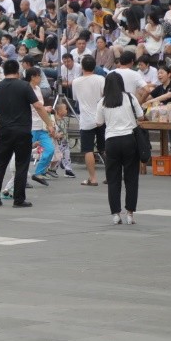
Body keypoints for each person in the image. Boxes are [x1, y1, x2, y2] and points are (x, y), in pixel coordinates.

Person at [0, 59, 37, 209]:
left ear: (3, 71)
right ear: (17, 71)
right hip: (22, 131)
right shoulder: (25, 86)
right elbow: (38, 106)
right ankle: (19, 199)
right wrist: (49, 124)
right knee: (21, 165)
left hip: (4, 130)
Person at [96, 72, 141, 225]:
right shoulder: (130, 97)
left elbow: (98, 122)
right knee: (131, 178)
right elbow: (140, 115)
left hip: (111, 141)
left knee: (113, 179)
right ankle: (130, 214)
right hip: (129, 139)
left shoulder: (103, 102)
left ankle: (116, 214)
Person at [72, 55, 105, 186]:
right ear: (94, 66)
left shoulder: (76, 81)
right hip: (101, 117)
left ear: (82, 67)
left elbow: (76, 98)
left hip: (86, 119)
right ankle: (112, 175)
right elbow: (104, 95)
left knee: (88, 149)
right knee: (104, 148)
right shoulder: (101, 79)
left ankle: (93, 178)